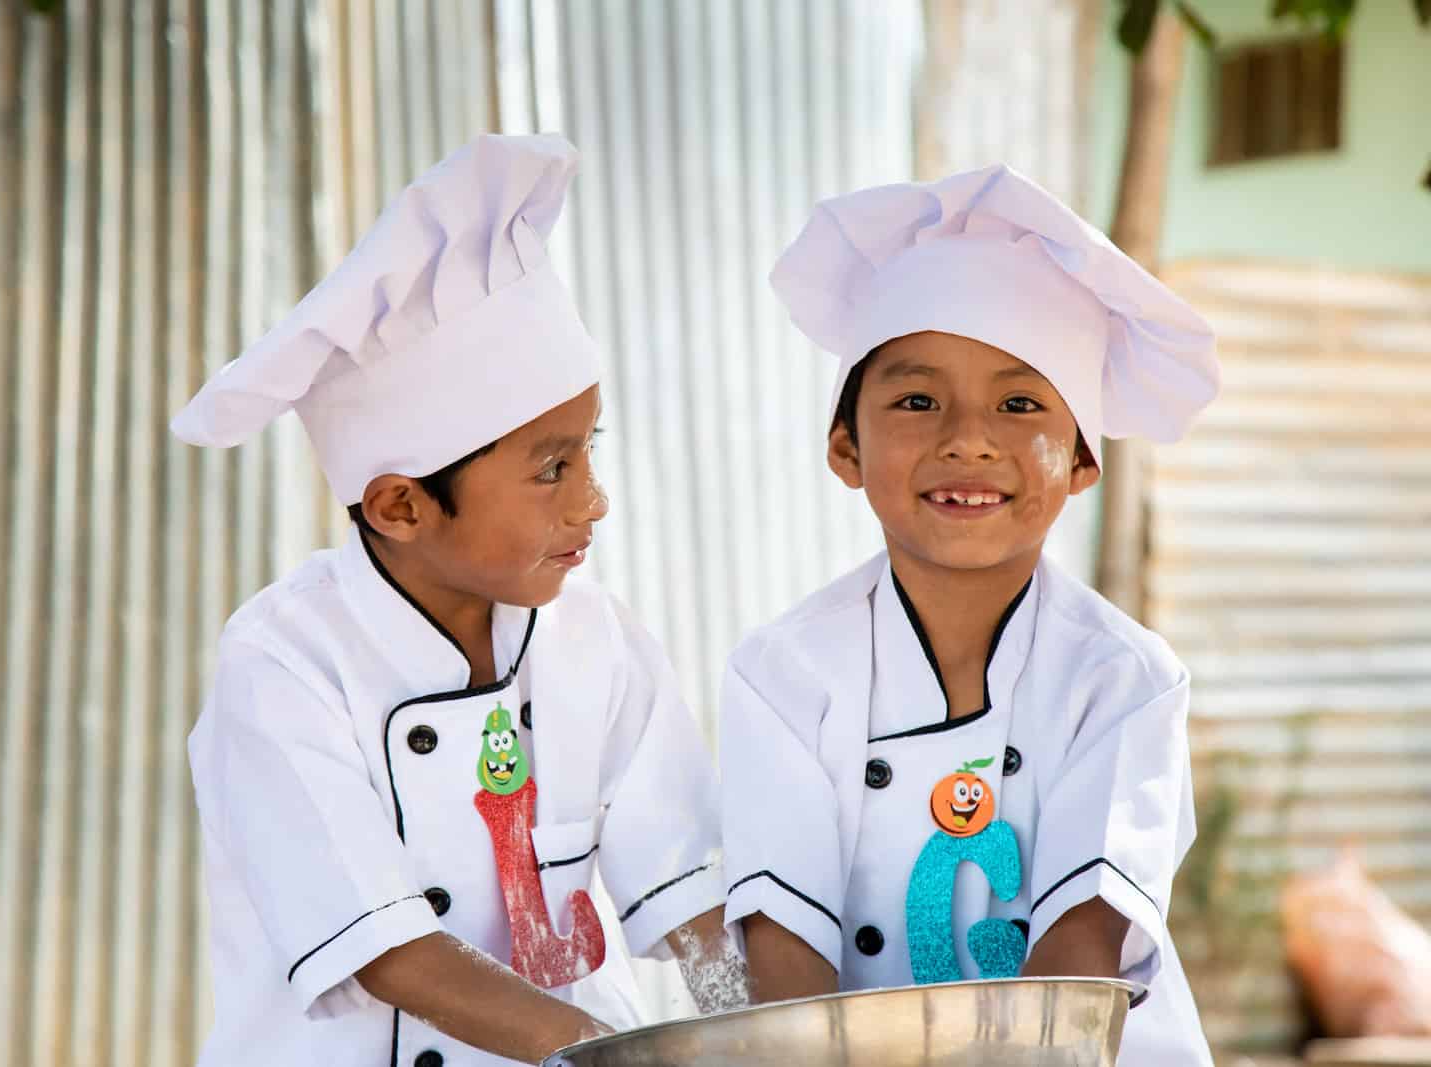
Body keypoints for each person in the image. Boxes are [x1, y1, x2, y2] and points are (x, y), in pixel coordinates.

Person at [173, 133, 738, 1067]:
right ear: (402, 504)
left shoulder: (596, 640)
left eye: (592, 448)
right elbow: (394, 953)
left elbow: (690, 900)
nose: (593, 499)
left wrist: (770, 1039)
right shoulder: (283, 664)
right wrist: (613, 1061)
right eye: (553, 467)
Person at [720, 163, 1220, 1064]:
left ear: (1078, 460)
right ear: (845, 446)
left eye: (1020, 403)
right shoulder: (782, 673)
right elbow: (783, 965)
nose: (968, 438)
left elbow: (1076, 963)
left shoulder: (1126, 679)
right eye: (916, 399)